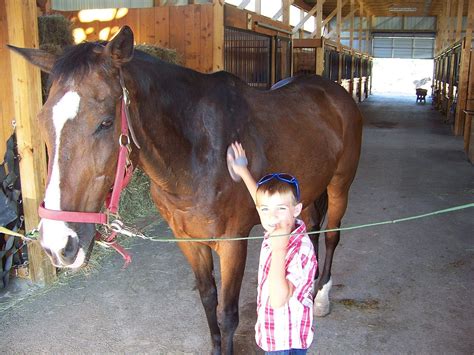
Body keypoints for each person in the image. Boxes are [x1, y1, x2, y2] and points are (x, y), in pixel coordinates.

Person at [228, 142, 317, 355]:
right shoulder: (279, 224)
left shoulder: (300, 250)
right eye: (266, 209)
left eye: (280, 208)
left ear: (296, 210)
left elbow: (278, 300)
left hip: (285, 340)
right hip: (274, 331)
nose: (271, 216)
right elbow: (261, 204)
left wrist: (279, 251)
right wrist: (242, 170)